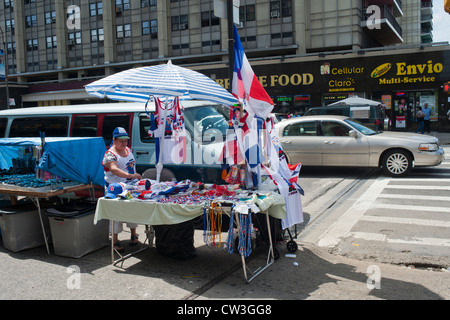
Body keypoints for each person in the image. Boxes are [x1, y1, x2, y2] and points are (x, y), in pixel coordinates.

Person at [102, 127, 142, 253]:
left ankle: (134, 234)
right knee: (116, 214)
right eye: (121, 141)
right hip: (115, 188)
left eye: (126, 141)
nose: (124, 143)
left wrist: (133, 177)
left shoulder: (128, 150)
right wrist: (131, 176)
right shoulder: (110, 154)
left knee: (132, 209)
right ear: (114, 140)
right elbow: (114, 169)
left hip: (130, 186)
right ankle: (115, 240)